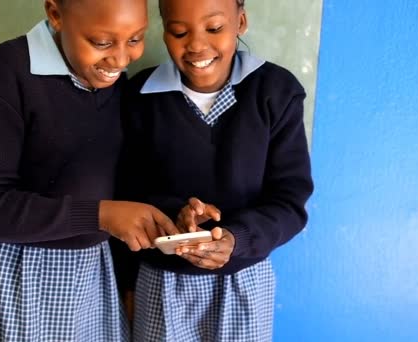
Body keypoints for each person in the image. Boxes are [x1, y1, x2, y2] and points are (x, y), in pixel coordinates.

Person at [0, 0, 179, 341]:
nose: (120, 59)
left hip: (91, 276)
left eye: (135, 39)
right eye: (102, 42)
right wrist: (100, 216)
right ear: (55, 14)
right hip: (17, 279)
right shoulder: (9, 72)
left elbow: (115, 187)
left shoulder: (111, 79)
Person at [116, 0, 314, 340]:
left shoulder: (275, 92)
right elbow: (123, 198)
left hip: (244, 281)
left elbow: (290, 203)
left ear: (241, 21)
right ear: (163, 30)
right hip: (160, 283)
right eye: (179, 31)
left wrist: (235, 239)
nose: (195, 45)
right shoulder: (138, 97)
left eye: (214, 28)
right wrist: (128, 284)